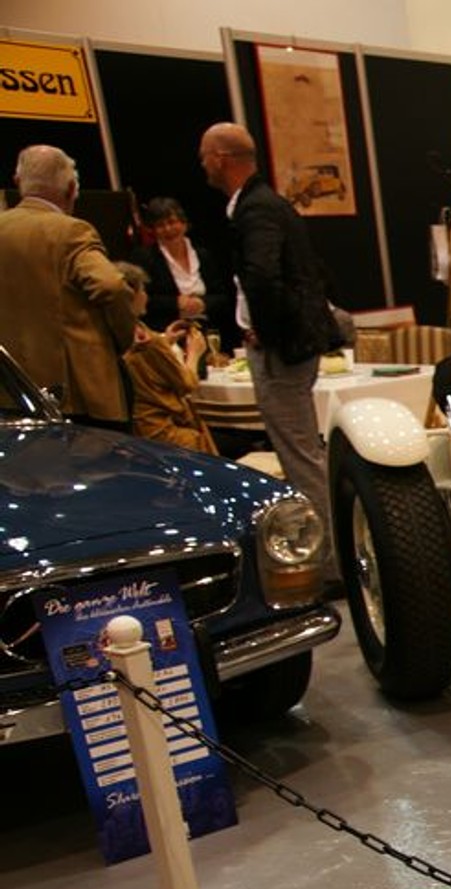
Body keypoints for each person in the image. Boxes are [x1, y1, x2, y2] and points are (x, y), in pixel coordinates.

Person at [199, 122, 344, 573]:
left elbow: (262, 275)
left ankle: (329, 561)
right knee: (301, 451)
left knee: (299, 455)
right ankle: (329, 552)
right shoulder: (265, 203)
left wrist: (266, 329)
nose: (202, 165)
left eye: (205, 156)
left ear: (221, 158)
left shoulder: (256, 208)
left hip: (283, 349)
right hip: (290, 342)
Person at [0, 145, 135, 422]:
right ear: (71, 188)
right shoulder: (72, 231)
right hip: (75, 395)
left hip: (11, 392)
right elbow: (111, 286)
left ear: (18, 182)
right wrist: (123, 339)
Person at [115, 261, 218, 455]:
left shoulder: (120, 333)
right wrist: (194, 353)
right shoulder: (148, 342)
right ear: (131, 296)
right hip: (161, 430)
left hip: (135, 426)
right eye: (143, 290)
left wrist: (166, 340)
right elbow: (187, 384)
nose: (146, 296)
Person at [131, 196, 236, 349]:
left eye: (172, 222)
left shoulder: (203, 255)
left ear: (184, 224)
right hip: (169, 335)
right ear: (153, 230)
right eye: (160, 225)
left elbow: (223, 297)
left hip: (209, 332)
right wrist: (175, 303)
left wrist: (203, 303)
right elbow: (141, 301)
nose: (168, 229)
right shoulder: (145, 258)